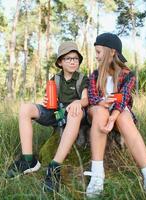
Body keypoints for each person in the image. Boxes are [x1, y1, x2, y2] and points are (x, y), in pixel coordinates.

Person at [84, 33, 146, 200]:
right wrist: (104, 104)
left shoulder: (127, 74)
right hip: (98, 110)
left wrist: (113, 116)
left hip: (119, 111)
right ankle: (97, 176)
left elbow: (124, 98)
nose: (96, 56)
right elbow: (93, 98)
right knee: (101, 111)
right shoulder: (94, 75)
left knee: (123, 116)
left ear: (112, 52)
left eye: (99, 52)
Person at [6, 41, 89, 192]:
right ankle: (28, 160)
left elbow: (86, 99)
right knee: (25, 108)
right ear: (60, 62)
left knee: (75, 113)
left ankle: (54, 166)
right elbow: (51, 101)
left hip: (74, 113)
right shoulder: (55, 79)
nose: (72, 61)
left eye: (75, 58)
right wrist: (47, 101)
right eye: (68, 58)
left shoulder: (82, 78)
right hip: (58, 113)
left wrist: (78, 102)